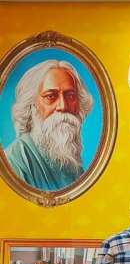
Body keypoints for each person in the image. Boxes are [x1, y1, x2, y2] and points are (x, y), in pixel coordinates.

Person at [4, 60, 94, 191]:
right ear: (31, 105)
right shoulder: (14, 161)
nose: (63, 106)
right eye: (50, 96)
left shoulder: (72, 162)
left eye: (70, 96)